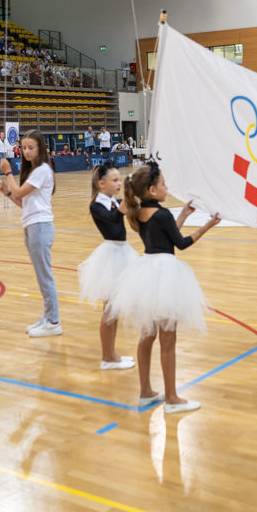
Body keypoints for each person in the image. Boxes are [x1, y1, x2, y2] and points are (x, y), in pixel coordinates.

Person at [106, 162, 220, 414]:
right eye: (163, 185)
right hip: (165, 274)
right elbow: (180, 243)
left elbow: (162, 238)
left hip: (146, 271)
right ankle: (171, 398)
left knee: (147, 334)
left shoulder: (139, 212)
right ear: (152, 190)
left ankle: (146, 391)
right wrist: (207, 226)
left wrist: (183, 216)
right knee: (168, 339)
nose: (167, 188)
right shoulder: (162, 214)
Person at [0, 130, 62, 337]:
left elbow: (19, 191)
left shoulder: (42, 170)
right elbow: (21, 201)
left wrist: (8, 173)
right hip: (31, 224)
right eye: (23, 148)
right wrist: (6, 192)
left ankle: (53, 321)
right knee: (41, 276)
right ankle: (48, 316)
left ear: (40, 149)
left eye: (31, 148)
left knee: (45, 276)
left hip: (40, 226)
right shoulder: (34, 171)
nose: (26, 151)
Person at [78, 161, 139, 370]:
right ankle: (107, 357)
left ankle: (112, 354)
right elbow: (112, 223)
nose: (118, 183)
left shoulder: (114, 201)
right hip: (111, 256)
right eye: (114, 180)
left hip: (122, 253)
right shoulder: (97, 205)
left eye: (119, 179)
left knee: (114, 310)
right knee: (109, 310)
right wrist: (123, 208)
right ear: (101, 184)